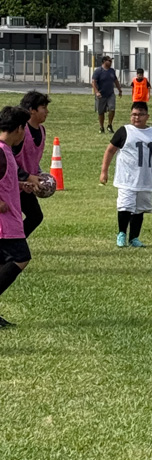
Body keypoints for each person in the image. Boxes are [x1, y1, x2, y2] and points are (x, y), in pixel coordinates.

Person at [99, 101, 152, 248]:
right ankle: (121, 233)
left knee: (140, 209)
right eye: (134, 114)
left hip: (145, 178)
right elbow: (110, 150)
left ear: (147, 116)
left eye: (140, 115)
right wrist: (104, 171)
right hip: (126, 178)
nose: (137, 117)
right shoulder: (125, 131)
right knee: (125, 206)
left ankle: (134, 237)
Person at [0, 106, 41, 328]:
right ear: (18, 128)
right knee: (20, 257)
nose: (24, 133)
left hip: (9, 222)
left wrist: (20, 185)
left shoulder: (6, 151)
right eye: (24, 128)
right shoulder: (1, 150)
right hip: (4, 225)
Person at [13, 90, 49, 238]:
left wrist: (39, 174)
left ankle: (15, 242)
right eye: (43, 108)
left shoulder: (42, 131)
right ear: (32, 110)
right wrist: (27, 176)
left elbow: (33, 158)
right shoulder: (20, 131)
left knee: (35, 216)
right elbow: (9, 161)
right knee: (11, 218)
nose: (47, 112)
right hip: (12, 183)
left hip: (26, 185)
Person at [92, 54, 123, 134]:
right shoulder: (98, 71)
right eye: (109, 60)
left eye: (111, 61)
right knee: (101, 112)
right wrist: (97, 92)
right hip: (101, 94)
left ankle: (109, 125)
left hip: (110, 94)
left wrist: (119, 90)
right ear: (104, 61)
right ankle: (101, 127)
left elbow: (115, 81)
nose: (111, 62)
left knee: (112, 109)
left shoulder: (112, 71)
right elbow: (93, 82)